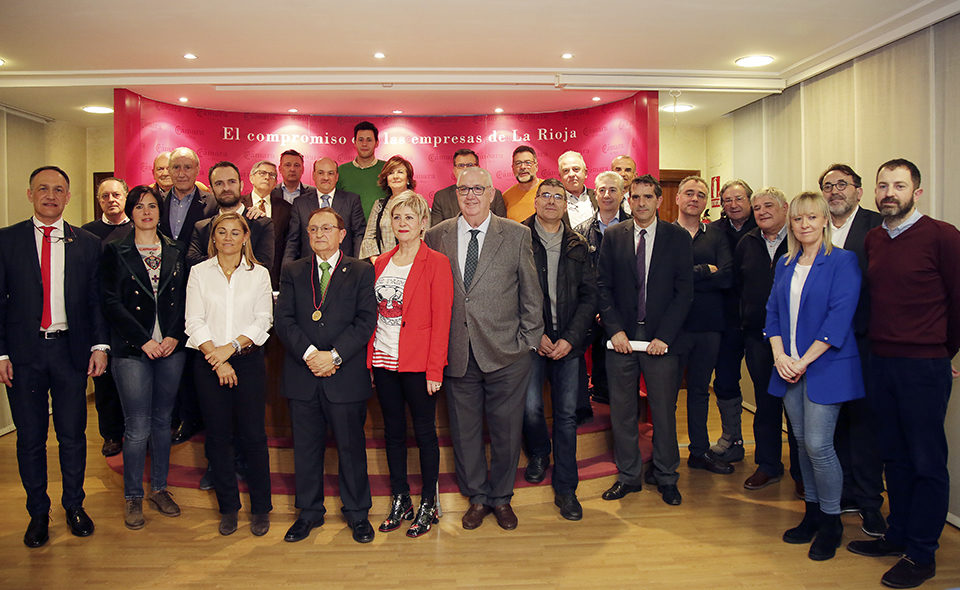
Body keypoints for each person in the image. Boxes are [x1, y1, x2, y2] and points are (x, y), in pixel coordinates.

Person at [848, 158, 960, 589]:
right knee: (892, 454)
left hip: (923, 365)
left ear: (918, 191)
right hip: (881, 361)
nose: (888, 192)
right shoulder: (876, 238)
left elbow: (958, 301)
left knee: (927, 460)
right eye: (882, 185)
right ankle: (897, 535)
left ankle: (922, 553)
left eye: (898, 185)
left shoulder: (942, 236)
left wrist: (941, 350)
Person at [423, 166, 543, 531]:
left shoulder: (517, 234)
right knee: (465, 431)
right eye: (463, 189)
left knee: (507, 431)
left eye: (478, 188)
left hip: (508, 353)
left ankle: (502, 498)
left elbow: (531, 295)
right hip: (457, 353)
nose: (471, 195)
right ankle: (476, 497)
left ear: (492, 194)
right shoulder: (436, 236)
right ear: (455, 194)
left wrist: (527, 343)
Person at [0, 166, 108, 548]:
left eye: (58, 190)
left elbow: (96, 301)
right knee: (30, 438)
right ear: (30, 194)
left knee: (72, 435)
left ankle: (74, 505)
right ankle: (38, 514)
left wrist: (99, 346)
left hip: (70, 351)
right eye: (43, 189)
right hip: (24, 353)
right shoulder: (6, 240)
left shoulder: (87, 243)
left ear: (68, 197)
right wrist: (1, 354)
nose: (50, 195)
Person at [764, 191, 864, 561]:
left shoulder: (842, 261)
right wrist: (779, 355)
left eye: (811, 218)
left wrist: (801, 360)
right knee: (801, 441)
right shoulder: (786, 262)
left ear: (825, 221)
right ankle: (811, 513)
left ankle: (832, 521)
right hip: (788, 367)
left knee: (819, 445)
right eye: (798, 219)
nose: (804, 225)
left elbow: (838, 320)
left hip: (824, 367)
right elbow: (772, 312)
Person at [275, 207, 377, 544]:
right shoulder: (293, 270)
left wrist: (332, 356)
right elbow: (284, 319)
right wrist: (310, 355)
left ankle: (358, 514)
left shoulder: (361, 270)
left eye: (326, 228)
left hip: (343, 374)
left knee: (351, 448)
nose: (319, 234)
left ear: (341, 233)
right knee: (305, 448)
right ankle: (308, 513)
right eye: (313, 229)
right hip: (303, 374)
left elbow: (365, 321)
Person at [597, 174, 693, 506]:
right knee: (622, 412)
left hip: (661, 341)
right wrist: (615, 330)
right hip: (621, 340)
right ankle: (628, 477)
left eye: (647, 197)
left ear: (658, 200)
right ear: (628, 199)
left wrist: (664, 336)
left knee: (663, 411)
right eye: (634, 197)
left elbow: (684, 292)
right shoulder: (613, 236)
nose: (640, 203)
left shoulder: (677, 237)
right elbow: (602, 287)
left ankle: (666, 476)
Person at [100, 185, 188, 530]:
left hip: (170, 348)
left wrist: (173, 335)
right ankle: (133, 496)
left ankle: (160, 489)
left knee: (163, 422)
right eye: (140, 207)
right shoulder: (114, 250)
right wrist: (142, 340)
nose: (147, 212)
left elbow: (184, 299)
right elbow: (110, 302)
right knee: (137, 427)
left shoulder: (176, 250)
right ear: (131, 212)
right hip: (132, 349)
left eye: (152, 206)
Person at [366, 191, 453, 538]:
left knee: (425, 434)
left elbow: (441, 319)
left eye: (409, 218)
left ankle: (428, 503)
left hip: (418, 364)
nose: (402, 224)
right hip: (384, 360)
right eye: (397, 218)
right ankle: (400, 499)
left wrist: (435, 369)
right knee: (393, 434)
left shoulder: (437, 262)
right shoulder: (380, 262)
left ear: (422, 224)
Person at [184, 213, 274, 537]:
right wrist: (217, 358)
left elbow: (263, 320)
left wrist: (230, 349)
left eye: (235, 232)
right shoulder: (199, 273)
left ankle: (261, 508)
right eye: (222, 231)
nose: (228, 237)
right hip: (209, 364)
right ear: (214, 237)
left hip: (248, 362)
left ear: (245, 237)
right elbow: (193, 321)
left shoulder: (259, 274)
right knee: (218, 438)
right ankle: (229, 508)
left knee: (253, 436)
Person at [520, 178, 596, 520]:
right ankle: (538, 453)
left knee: (566, 416)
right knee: (532, 408)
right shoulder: (518, 238)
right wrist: (535, 334)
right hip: (531, 340)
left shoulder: (579, 244)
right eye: (545, 195)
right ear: (535, 202)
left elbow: (589, 296)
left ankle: (566, 488)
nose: (551, 201)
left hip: (569, 341)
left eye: (558, 197)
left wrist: (571, 338)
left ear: (566, 205)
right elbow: (509, 291)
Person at [816, 163, 886, 537]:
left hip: (864, 341)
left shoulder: (877, 227)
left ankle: (870, 502)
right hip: (821, 346)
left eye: (842, 184)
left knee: (864, 423)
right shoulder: (815, 228)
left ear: (859, 191)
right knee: (832, 424)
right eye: (828, 185)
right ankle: (838, 494)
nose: (835, 191)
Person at [735, 187, 801, 494]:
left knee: (799, 407)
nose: (762, 211)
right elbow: (739, 287)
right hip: (759, 337)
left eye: (768, 206)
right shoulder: (747, 242)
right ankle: (768, 465)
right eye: (757, 207)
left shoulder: (802, 239)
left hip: (798, 342)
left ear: (786, 208)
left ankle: (803, 473)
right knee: (766, 403)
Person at [671, 176, 735, 475]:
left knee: (699, 391)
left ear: (707, 201)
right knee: (667, 395)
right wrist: (700, 272)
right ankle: (666, 457)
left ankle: (699, 452)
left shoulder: (717, 235)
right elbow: (663, 281)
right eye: (688, 193)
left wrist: (685, 280)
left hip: (710, 326)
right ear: (677, 198)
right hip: (673, 328)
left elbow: (727, 277)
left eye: (700, 194)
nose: (694, 198)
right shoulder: (665, 234)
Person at [82, 177, 132, 458]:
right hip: (101, 318)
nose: (111, 200)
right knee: (105, 382)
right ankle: (111, 434)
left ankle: (135, 431)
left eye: (116, 195)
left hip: (134, 318)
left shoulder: (139, 227)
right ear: (99, 201)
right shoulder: (87, 233)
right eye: (105, 196)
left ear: (125, 197)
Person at [710, 179, 757, 463]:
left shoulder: (763, 227)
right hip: (724, 318)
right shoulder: (714, 231)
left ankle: (768, 447)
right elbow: (718, 275)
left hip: (759, 319)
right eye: (727, 200)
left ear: (749, 201)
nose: (733, 205)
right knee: (726, 379)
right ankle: (733, 438)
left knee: (767, 385)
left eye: (739, 199)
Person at [575, 171, 630, 406]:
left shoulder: (635, 227)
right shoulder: (580, 231)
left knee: (620, 367)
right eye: (602, 190)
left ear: (622, 193)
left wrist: (609, 309)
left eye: (613, 190)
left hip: (623, 308)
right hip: (589, 308)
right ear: (595, 194)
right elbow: (578, 275)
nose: (607, 195)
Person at [187, 161, 274, 269]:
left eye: (232, 182)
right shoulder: (202, 228)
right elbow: (193, 263)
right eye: (219, 183)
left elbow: (263, 266)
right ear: (211, 190)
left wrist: (215, 261)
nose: (226, 188)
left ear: (241, 185)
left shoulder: (262, 224)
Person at [284, 157, 365, 262]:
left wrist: (357, 266)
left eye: (330, 173)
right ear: (314, 175)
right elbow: (293, 241)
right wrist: (286, 270)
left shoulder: (352, 200)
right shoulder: (300, 203)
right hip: (309, 268)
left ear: (337, 177)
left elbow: (359, 236)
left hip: (344, 267)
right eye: (321, 173)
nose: (325, 177)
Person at [241, 160, 291, 289]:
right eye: (262, 173)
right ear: (251, 178)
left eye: (272, 175)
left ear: (275, 183)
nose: (267, 177)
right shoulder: (239, 205)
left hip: (274, 277)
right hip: (242, 272)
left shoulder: (286, 208)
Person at [359, 155, 420, 261]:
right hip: (384, 266)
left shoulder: (419, 203)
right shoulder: (379, 205)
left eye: (400, 172)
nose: (395, 176)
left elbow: (424, 235)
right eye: (391, 173)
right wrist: (377, 261)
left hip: (412, 264)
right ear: (386, 179)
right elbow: (369, 237)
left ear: (408, 178)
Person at [431, 149, 506, 225]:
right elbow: (437, 233)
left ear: (478, 167)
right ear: (454, 170)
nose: (465, 169)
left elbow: (501, 228)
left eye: (470, 165)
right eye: (461, 165)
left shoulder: (494, 194)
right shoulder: (441, 197)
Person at [337, 121, 387, 218]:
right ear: (354, 142)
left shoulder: (387, 169)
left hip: (380, 231)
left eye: (369, 140)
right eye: (360, 140)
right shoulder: (341, 171)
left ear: (376, 143)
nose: (364, 144)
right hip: (349, 231)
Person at [558, 151, 598, 228]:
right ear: (560, 176)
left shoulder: (599, 196)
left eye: (576, 169)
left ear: (585, 173)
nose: (571, 174)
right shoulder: (555, 202)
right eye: (566, 171)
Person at [503, 145, 542, 222]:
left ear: (536, 166)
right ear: (513, 168)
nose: (523, 167)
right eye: (518, 163)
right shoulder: (505, 197)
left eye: (528, 163)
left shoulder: (550, 190)